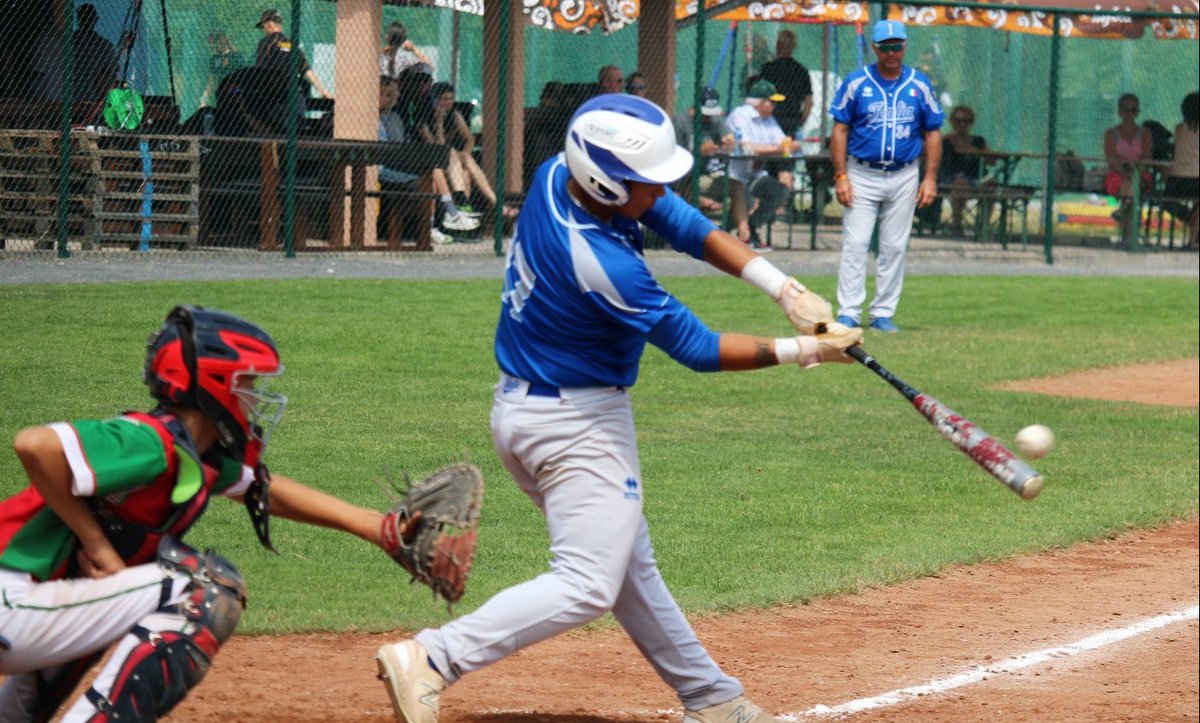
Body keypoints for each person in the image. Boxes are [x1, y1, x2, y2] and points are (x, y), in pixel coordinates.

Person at [373, 93, 861, 723]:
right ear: (605, 182)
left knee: (629, 566)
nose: (660, 193)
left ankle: (711, 699)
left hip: (532, 410)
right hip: (573, 426)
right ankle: (434, 657)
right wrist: (808, 350)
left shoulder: (559, 175)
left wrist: (782, 287)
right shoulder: (601, 264)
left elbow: (682, 222)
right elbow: (696, 347)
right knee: (588, 582)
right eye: (647, 182)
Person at [0, 305, 437, 722]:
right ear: (215, 385)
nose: (257, 396)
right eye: (248, 383)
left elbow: (265, 489)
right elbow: (34, 445)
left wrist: (376, 527)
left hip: (28, 608)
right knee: (202, 589)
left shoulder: (196, 455)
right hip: (12, 600)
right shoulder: (151, 442)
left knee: (79, 646)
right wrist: (95, 542)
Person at [829, 20, 943, 335]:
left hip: (905, 173)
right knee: (856, 243)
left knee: (894, 246)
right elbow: (839, 130)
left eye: (897, 46)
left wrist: (929, 178)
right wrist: (840, 175)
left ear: (904, 46)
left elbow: (932, 132)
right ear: (874, 48)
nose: (891, 52)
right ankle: (849, 313)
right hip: (862, 172)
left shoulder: (919, 84)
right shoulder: (856, 82)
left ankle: (882, 313)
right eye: (885, 47)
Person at [377, 77, 477, 242]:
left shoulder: (394, 118)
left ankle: (452, 221)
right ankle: (446, 217)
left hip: (401, 161)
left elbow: (466, 140)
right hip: (385, 165)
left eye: (395, 94)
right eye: (390, 95)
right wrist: (438, 124)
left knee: (453, 170)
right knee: (435, 170)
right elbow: (435, 147)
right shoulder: (377, 118)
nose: (396, 98)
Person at [420, 82, 518, 221]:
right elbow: (438, 149)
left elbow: (470, 139)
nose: (448, 102)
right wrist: (439, 124)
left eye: (450, 98)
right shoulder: (424, 118)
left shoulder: (454, 114)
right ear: (435, 100)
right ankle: (491, 205)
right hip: (434, 160)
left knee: (465, 170)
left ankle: (463, 211)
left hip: (454, 162)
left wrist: (465, 156)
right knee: (451, 151)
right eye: (444, 99)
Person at [725, 79, 801, 252]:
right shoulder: (740, 115)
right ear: (759, 102)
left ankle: (751, 226)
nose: (774, 105)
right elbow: (746, 147)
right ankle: (736, 233)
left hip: (754, 174)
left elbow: (781, 142)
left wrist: (790, 145)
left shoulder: (769, 119)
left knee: (780, 192)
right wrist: (778, 148)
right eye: (771, 101)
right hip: (732, 175)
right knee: (742, 193)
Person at [757, 29, 813, 181]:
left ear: (778, 46)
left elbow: (759, 97)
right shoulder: (801, 71)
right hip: (790, 122)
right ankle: (784, 202)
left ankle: (770, 201)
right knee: (785, 167)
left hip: (769, 122)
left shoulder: (768, 69)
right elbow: (808, 101)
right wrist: (801, 119)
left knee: (766, 168)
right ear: (793, 47)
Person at [254, 8, 332, 117]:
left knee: (276, 129)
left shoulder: (265, 43)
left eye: (263, 26)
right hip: (295, 96)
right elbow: (307, 71)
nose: (263, 30)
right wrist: (322, 91)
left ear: (269, 24)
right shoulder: (293, 45)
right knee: (297, 128)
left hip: (274, 98)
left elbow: (260, 71)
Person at [672, 86, 734, 216]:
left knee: (738, 188)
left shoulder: (714, 119)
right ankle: (701, 203)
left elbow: (728, 136)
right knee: (688, 192)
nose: (708, 116)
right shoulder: (680, 122)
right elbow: (676, 157)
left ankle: (743, 233)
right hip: (684, 178)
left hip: (707, 173)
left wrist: (728, 141)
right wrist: (698, 151)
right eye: (705, 112)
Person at [1102, 93, 1152, 239]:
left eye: (1133, 110)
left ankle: (1124, 217)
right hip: (1117, 175)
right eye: (1125, 109)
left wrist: (1135, 172)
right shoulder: (1111, 134)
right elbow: (1111, 159)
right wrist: (1126, 172)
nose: (1129, 114)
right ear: (1119, 112)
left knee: (1131, 184)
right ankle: (1129, 234)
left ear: (1137, 112)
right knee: (1128, 185)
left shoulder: (1145, 134)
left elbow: (1147, 159)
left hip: (1140, 175)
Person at [938, 104, 993, 236]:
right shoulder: (946, 141)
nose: (962, 125)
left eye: (966, 121)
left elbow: (991, 160)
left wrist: (976, 152)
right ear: (952, 122)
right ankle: (956, 225)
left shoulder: (978, 141)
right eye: (958, 121)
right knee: (960, 183)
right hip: (950, 179)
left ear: (971, 123)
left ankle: (984, 226)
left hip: (975, 178)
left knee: (991, 184)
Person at [1165, 91, 1199, 250]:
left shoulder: (1179, 128)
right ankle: (1193, 237)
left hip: (1176, 182)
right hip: (1195, 181)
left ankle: (1192, 222)